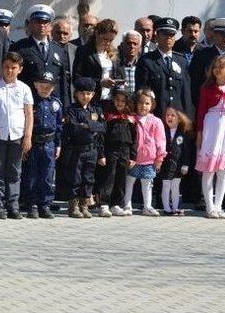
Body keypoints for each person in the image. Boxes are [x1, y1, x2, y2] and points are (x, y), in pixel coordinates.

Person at [189, 18, 225, 211]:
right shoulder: (203, 56)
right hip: (210, 116)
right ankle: (202, 198)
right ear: (214, 35)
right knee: (208, 159)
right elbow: (195, 86)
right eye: (223, 34)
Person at [194, 56, 225, 219]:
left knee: (223, 170)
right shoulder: (207, 89)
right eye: (215, 67)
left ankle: (218, 205)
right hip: (212, 128)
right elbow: (201, 112)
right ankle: (209, 206)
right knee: (209, 169)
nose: (217, 70)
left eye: (221, 67)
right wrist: (200, 133)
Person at [0, 52, 34, 219]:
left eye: (13, 68)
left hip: (17, 135)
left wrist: (28, 136)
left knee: (15, 172)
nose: (9, 71)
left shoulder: (24, 89)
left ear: (20, 69)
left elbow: (29, 114)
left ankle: (13, 205)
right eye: (7, 67)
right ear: (2, 67)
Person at [62, 77, 105, 218]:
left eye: (88, 93)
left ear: (93, 94)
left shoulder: (96, 109)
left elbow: (103, 128)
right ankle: (73, 206)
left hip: (92, 149)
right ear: (76, 94)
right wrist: (90, 127)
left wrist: (87, 125)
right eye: (82, 93)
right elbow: (73, 128)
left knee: (88, 178)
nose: (85, 97)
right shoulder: (71, 110)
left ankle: (84, 204)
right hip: (76, 150)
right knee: (75, 178)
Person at [10, 4, 69, 108]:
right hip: (29, 104)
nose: (42, 25)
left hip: (53, 106)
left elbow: (63, 82)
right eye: (38, 22)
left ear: (51, 26)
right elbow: (13, 78)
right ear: (31, 24)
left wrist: (65, 108)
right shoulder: (20, 47)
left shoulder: (59, 50)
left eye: (45, 22)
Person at [22, 71, 63, 219]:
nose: (45, 89)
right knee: (31, 174)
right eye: (42, 86)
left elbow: (59, 126)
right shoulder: (31, 102)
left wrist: (58, 144)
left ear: (53, 88)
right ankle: (31, 204)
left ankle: (44, 204)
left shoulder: (56, 104)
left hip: (49, 143)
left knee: (47, 175)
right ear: (35, 85)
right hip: (34, 142)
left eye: (48, 87)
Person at [135, 17, 193, 118]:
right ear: (157, 36)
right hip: (156, 117)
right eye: (165, 34)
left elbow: (186, 94)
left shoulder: (182, 61)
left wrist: (188, 119)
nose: (169, 38)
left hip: (178, 117)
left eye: (172, 35)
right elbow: (141, 92)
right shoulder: (147, 61)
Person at [123, 89, 167, 217]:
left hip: (149, 159)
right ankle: (127, 205)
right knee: (129, 181)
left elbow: (161, 141)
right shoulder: (131, 119)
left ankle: (147, 206)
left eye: (147, 103)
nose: (143, 106)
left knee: (147, 183)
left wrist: (160, 157)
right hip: (133, 158)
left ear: (152, 105)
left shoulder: (156, 121)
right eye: (141, 103)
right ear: (136, 103)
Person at [99, 88, 137, 217]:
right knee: (109, 177)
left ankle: (116, 204)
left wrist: (133, 156)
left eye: (123, 101)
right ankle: (104, 204)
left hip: (125, 151)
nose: (119, 103)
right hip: (111, 150)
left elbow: (135, 138)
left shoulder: (131, 118)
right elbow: (102, 136)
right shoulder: (109, 116)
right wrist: (102, 154)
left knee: (121, 178)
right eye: (117, 100)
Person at [72, 18, 123, 106]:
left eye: (111, 40)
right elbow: (77, 78)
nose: (107, 43)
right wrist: (100, 82)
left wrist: (118, 83)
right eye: (105, 39)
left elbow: (119, 75)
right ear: (96, 33)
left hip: (110, 101)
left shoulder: (114, 52)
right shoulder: (84, 51)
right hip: (91, 100)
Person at [157, 107, 192, 216]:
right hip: (166, 164)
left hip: (178, 165)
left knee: (176, 187)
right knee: (166, 185)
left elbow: (186, 150)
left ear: (179, 119)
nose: (169, 117)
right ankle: (167, 208)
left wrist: (185, 164)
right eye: (167, 115)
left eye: (173, 115)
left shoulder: (183, 133)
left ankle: (175, 207)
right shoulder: (163, 130)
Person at [52, 17, 76, 101]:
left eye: (65, 33)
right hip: (52, 94)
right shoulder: (46, 49)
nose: (61, 36)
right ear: (52, 32)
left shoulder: (76, 50)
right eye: (58, 33)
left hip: (71, 96)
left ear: (70, 35)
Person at [117, 30, 141, 96]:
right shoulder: (115, 64)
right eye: (128, 43)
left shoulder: (143, 64)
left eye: (135, 44)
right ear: (122, 45)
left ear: (140, 47)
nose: (132, 46)